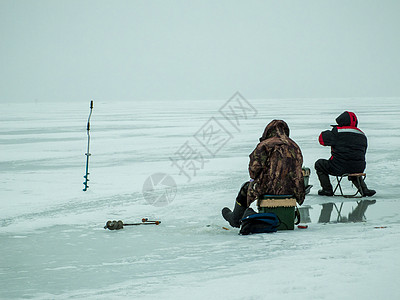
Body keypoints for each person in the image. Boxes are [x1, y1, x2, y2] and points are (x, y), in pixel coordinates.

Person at [222, 120, 305, 228]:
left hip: (269, 189)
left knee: (245, 188)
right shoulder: (295, 146)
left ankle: (235, 219)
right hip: (293, 189)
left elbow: (254, 170)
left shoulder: (265, 145)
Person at [315, 111, 376, 196]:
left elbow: (322, 140)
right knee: (353, 164)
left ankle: (327, 189)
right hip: (359, 168)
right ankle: (364, 189)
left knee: (319, 164)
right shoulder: (362, 134)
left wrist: (333, 130)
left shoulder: (337, 132)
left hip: (339, 167)